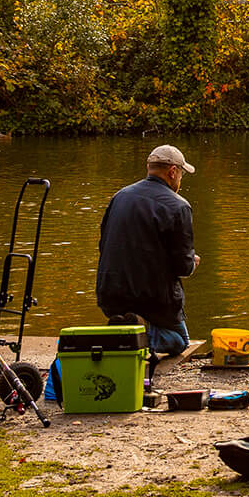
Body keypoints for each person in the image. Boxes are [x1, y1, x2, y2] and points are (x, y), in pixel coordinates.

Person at [95, 144, 200, 358]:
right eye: (181, 174)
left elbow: (103, 245)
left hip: (109, 294)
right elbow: (183, 267)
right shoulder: (179, 206)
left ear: (149, 167)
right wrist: (192, 262)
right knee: (181, 341)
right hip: (152, 299)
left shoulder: (119, 197)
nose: (180, 180)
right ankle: (139, 334)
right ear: (172, 172)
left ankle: (129, 328)